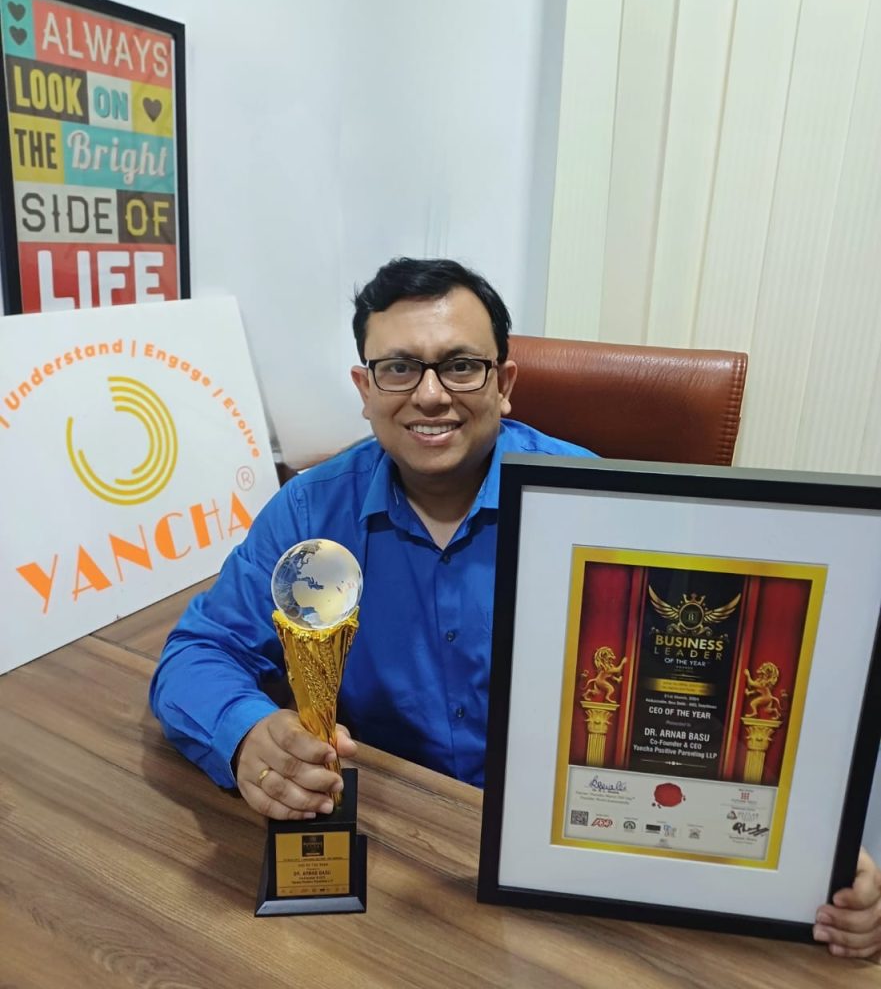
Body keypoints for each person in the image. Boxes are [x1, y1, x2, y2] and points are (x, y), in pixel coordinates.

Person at [150, 257, 880, 960]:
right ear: (364, 389)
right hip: (402, 847)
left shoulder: (606, 512)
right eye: (398, 368)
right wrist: (245, 734)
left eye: (460, 365)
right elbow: (196, 653)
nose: (429, 395)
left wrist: (808, 844)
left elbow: (711, 684)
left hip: (577, 851)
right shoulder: (310, 512)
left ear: (504, 383)